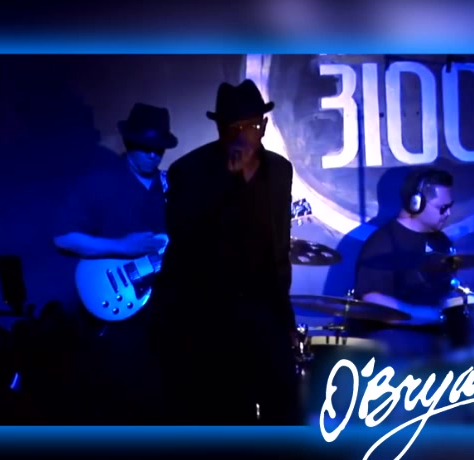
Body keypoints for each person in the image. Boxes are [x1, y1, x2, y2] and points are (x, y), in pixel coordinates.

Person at [151, 79, 299, 425]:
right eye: (236, 127)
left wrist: (286, 319)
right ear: (221, 129)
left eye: (253, 125)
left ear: (264, 125)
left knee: (284, 410)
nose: (245, 134)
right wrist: (229, 184)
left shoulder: (279, 170)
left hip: (266, 311)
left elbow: (279, 248)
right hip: (211, 318)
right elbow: (187, 245)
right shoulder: (189, 171)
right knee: (227, 412)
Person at [52, 102, 179, 424]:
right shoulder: (100, 184)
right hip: (116, 323)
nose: (153, 154)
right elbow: (63, 238)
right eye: (146, 146)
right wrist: (120, 246)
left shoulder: (174, 189)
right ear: (129, 142)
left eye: (159, 148)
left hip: (164, 315)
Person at [351, 168, 456, 358]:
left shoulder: (442, 241)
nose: (448, 213)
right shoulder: (383, 242)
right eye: (442, 208)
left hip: (438, 340)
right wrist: (431, 315)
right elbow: (374, 301)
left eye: (450, 206)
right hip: (397, 344)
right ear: (416, 203)